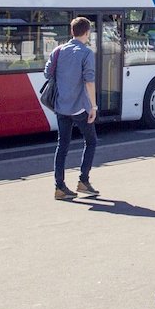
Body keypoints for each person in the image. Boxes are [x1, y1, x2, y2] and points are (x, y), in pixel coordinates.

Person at [46, 16, 98, 200]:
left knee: (63, 145)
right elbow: (89, 81)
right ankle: (83, 181)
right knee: (91, 141)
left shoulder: (58, 50)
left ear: (72, 32)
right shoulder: (86, 53)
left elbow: (47, 73)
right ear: (87, 32)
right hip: (79, 107)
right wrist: (93, 106)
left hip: (61, 106)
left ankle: (59, 187)